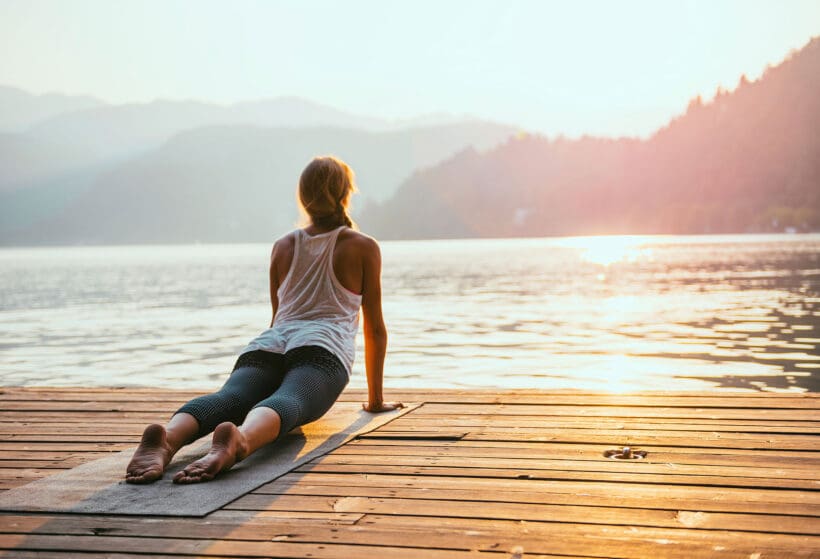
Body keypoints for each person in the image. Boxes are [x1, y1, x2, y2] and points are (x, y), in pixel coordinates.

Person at [125, 155, 402, 484]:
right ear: (346, 194)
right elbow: (375, 329)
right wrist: (374, 401)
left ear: (303, 198)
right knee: (289, 401)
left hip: (268, 345)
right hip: (322, 350)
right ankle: (240, 441)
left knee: (228, 399)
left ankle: (169, 437)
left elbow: (278, 316)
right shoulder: (362, 246)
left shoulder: (283, 246)